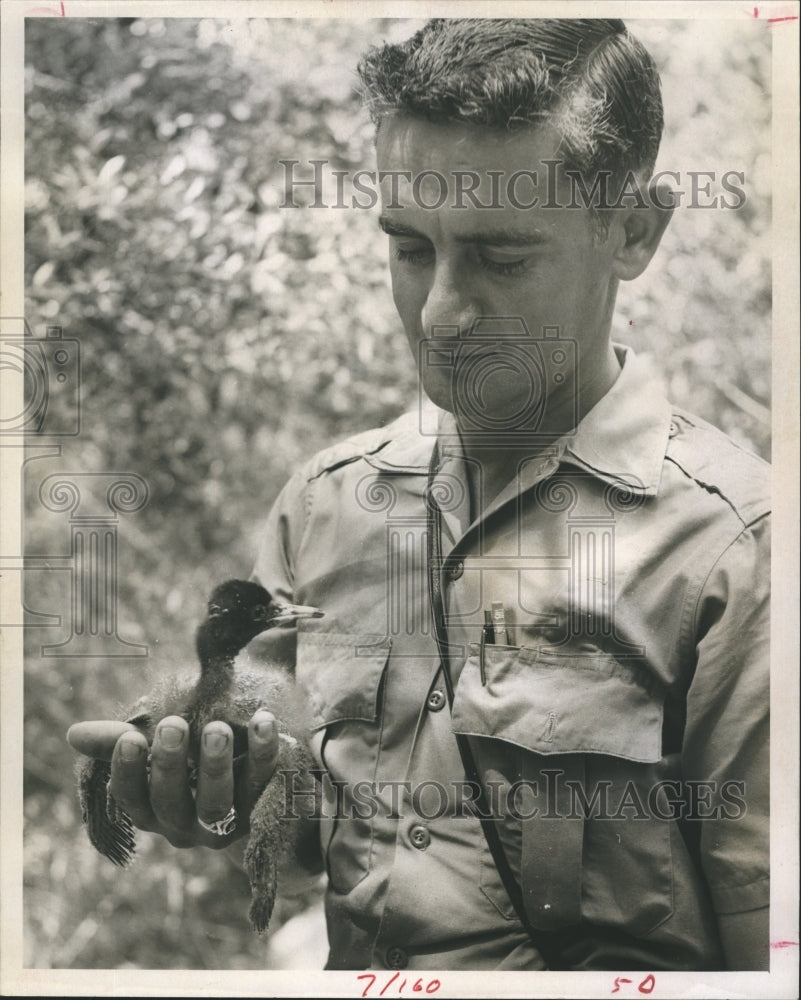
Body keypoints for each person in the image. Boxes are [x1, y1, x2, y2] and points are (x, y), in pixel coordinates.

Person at [68, 18, 770, 972]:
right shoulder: (327, 505)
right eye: (408, 248)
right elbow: (309, 821)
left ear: (633, 230)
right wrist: (211, 785)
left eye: (502, 258)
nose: (440, 312)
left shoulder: (737, 550)